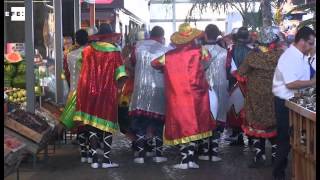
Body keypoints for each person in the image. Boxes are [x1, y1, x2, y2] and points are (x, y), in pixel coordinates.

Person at [151, 23, 215, 169]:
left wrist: (167, 69)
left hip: (177, 95)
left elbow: (154, 64)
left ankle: (185, 160)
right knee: (194, 125)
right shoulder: (201, 50)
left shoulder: (169, 56)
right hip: (197, 95)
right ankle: (191, 159)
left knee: (182, 126)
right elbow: (208, 61)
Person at [74, 23, 128, 169]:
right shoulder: (115, 51)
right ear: (110, 36)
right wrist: (119, 89)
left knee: (91, 125)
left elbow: (81, 69)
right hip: (107, 92)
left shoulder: (87, 50)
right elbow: (121, 74)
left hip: (88, 92)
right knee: (107, 126)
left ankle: (93, 158)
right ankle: (105, 160)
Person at [236, 26, 284, 168]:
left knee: (257, 127)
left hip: (255, 98)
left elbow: (240, 74)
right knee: (274, 125)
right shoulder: (280, 55)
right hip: (275, 96)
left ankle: (259, 156)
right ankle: (276, 156)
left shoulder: (252, 56)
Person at [272, 26, 316, 180]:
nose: (312, 47)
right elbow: (291, 84)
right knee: (285, 140)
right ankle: (278, 175)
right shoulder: (289, 56)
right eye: (310, 43)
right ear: (302, 41)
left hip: (298, 104)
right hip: (285, 104)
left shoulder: (302, 56)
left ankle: (301, 172)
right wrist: (312, 82)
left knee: (302, 138)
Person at [129, 26, 170, 164]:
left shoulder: (138, 47)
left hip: (140, 89)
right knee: (158, 124)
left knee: (140, 124)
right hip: (159, 90)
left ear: (150, 34)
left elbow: (131, 63)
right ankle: (158, 154)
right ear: (162, 36)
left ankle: (140, 155)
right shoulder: (166, 50)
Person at [197, 24, 230, 162]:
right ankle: (215, 152)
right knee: (218, 117)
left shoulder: (199, 51)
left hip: (204, 88)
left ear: (205, 35)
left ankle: (204, 151)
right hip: (221, 87)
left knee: (204, 116)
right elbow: (229, 70)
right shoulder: (225, 52)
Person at [225, 27, 254, 146]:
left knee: (235, 109)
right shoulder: (253, 50)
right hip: (250, 83)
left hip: (234, 82)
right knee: (250, 108)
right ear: (248, 37)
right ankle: (252, 137)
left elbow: (227, 67)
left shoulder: (231, 50)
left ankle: (238, 135)